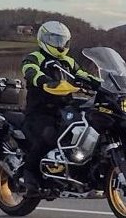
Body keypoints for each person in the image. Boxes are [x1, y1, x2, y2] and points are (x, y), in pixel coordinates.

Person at [20, 20, 101, 194]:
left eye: (62, 40)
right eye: (55, 40)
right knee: (47, 134)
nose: (59, 44)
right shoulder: (36, 57)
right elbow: (29, 69)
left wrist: (100, 84)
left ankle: (76, 170)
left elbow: (82, 74)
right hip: (40, 110)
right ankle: (29, 173)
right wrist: (43, 80)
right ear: (43, 39)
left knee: (87, 127)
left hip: (64, 108)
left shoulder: (68, 61)